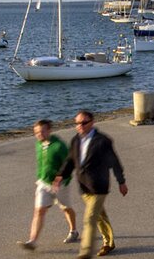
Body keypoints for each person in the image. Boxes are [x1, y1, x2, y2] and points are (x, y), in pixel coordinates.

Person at [54, 111, 128, 258]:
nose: (80, 126)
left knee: (89, 218)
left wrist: (121, 182)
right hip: (84, 187)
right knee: (99, 216)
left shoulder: (103, 141)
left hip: (99, 186)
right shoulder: (76, 140)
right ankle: (109, 242)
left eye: (83, 123)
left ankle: (85, 252)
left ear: (92, 122)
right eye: (77, 123)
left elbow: (114, 162)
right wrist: (60, 176)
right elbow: (70, 161)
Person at [18, 119, 79, 251]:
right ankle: (32, 241)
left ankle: (73, 231)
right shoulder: (38, 144)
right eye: (36, 132)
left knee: (66, 209)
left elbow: (70, 164)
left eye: (42, 131)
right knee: (39, 210)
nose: (39, 134)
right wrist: (40, 177)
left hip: (61, 184)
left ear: (49, 130)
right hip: (43, 183)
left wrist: (61, 179)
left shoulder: (59, 146)